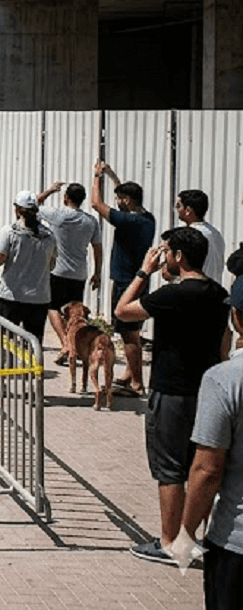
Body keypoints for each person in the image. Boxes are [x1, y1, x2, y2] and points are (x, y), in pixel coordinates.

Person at [113, 227, 230, 565]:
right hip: (208, 390)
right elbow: (223, 343)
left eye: (166, 252)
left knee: (170, 468)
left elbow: (123, 311)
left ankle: (169, 542)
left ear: (179, 256)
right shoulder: (218, 294)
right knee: (203, 467)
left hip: (171, 392)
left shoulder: (171, 295)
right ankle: (194, 538)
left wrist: (143, 271)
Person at [172, 339, 243, 603]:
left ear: (236, 318)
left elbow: (207, 470)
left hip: (235, 541)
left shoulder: (224, 378)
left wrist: (187, 533)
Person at [93, 161, 157, 396]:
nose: (117, 203)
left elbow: (96, 204)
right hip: (138, 281)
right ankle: (130, 374)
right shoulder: (147, 218)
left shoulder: (128, 221)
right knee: (133, 332)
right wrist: (112, 174)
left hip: (125, 283)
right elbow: (122, 191)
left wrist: (97, 176)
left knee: (128, 333)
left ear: (127, 201)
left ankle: (137, 384)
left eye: (120, 199)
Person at [37, 181, 104, 350]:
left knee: (52, 308)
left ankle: (66, 344)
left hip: (57, 270)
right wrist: (97, 273)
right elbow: (97, 248)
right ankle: (73, 343)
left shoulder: (57, 214)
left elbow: (32, 205)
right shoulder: (91, 221)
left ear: (66, 198)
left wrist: (50, 190)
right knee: (73, 313)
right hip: (79, 273)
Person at [0, 190, 57, 340]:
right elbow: (51, 265)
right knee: (34, 345)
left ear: (18, 210)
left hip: (11, 297)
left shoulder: (9, 232)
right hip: (39, 298)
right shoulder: (48, 235)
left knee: (3, 342)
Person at [176, 189, 227, 283]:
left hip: (196, 289)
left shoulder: (191, 235)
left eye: (178, 205)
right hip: (214, 288)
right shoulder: (215, 233)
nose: (176, 209)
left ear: (188, 210)